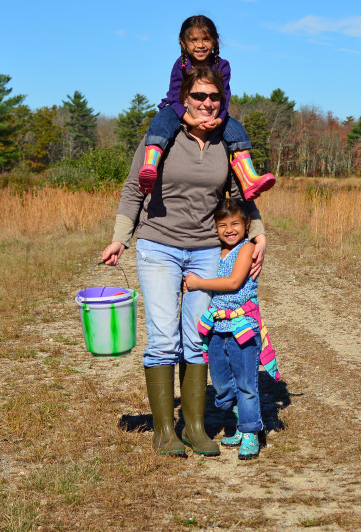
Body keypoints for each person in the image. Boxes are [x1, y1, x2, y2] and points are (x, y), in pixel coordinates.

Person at [101, 65, 266, 457]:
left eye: (213, 97)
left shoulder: (227, 140)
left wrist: (258, 231)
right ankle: (163, 432)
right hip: (158, 245)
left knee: (197, 337)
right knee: (163, 338)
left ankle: (193, 427)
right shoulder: (163, 135)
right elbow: (131, 189)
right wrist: (119, 239)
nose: (207, 104)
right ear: (185, 99)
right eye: (199, 96)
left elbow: (244, 193)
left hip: (207, 249)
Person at [182, 199, 280, 460]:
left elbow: (234, 281)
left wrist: (197, 283)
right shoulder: (214, 251)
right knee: (223, 384)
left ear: (247, 225)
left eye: (235, 223)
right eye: (222, 224)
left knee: (247, 383)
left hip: (241, 327)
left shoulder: (247, 249)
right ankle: (240, 420)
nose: (228, 229)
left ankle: (250, 432)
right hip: (217, 328)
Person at [138, 15, 275, 201]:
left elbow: (224, 97)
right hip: (181, 108)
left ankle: (249, 179)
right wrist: (189, 119)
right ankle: (150, 167)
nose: (200, 45)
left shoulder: (222, 66)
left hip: (214, 111)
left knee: (235, 128)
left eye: (206, 39)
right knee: (162, 119)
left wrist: (219, 120)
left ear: (215, 41)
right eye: (193, 40)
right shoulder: (181, 65)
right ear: (183, 42)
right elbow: (174, 97)